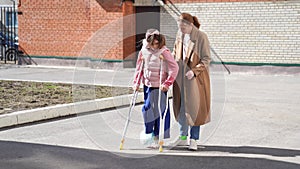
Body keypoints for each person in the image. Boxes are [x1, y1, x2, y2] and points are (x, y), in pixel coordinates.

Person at [133, 29, 179, 148]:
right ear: (149, 41)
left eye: (157, 43)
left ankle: (159, 136)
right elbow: (139, 68)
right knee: (147, 108)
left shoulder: (164, 51)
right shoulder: (143, 51)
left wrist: (167, 83)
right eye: (153, 43)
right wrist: (136, 83)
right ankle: (149, 132)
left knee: (161, 111)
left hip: (160, 86)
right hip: (148, 85)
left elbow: (175, 68)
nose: (155, 46)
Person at [172, 13, 211, 150]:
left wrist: (194, 71)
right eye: (179, 27)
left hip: (195, 79)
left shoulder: (201, 37)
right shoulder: (179, 36)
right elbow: (174, 53)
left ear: (190, 25)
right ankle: (183, 137)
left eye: (183, 27)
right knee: (181, 107)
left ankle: (194, 139)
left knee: (195, 108)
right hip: (180, 78)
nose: (181, 30)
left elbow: (206, 59)